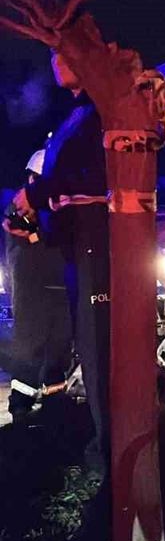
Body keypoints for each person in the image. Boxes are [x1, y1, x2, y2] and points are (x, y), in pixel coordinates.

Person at [11, 50, 110, 472]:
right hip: (75, 245)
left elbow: (83, 178)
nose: (55, 60)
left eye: (65, 53)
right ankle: (100, 443)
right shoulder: (78, 114)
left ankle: (110, 454)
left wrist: (33, 196)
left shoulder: (94, 114)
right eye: (51, 54)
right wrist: (38, 227)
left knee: (96, 349)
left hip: (90, 245)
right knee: (85, 349)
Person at [2, 150, 74, 421]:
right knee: (29, 347)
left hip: (58, 285)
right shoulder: (19, 207)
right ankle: (21, 405)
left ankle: (55, 402)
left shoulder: (56, 207)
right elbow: (27, 234)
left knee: (59, 346)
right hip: (32, 288)